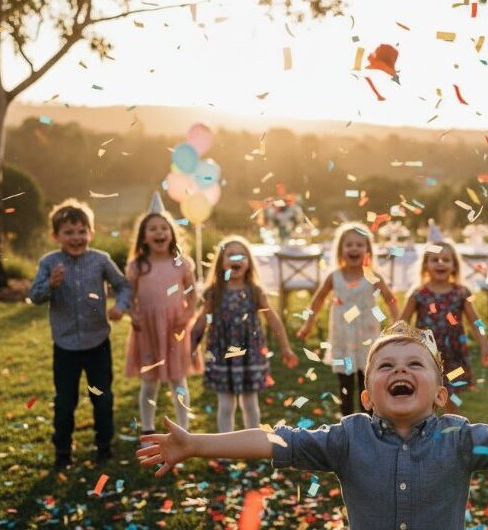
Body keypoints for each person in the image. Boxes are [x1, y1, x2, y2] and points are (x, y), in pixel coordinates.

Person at [137, 321, 488, 530]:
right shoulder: (345, 437)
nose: (399, 370)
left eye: (414, 364)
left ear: (439, 393)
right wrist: (196, 443)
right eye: (386, 366)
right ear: (367, 392)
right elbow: (272, 440)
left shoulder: (461, 437)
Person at [28, 199, 131, 469]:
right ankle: (62, 450)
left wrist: (120, 307)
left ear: (91, 233)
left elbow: (123, 286)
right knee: (65, 401)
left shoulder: (100, 260)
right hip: (65, 347)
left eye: (82, 231)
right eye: (69, 232)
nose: (76, 238)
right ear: (56, 236)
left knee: (102, 397)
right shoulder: (49, 263)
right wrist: (51, 285)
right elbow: (34, 296)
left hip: (98, 343)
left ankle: (104, 446)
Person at [191, 236, 299, 432]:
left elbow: (273, 320)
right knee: (225, 405)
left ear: (249, 262)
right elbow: (200, 322)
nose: (236, 259)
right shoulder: (214, 292)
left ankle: (252, 444)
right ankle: (226, 448)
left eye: (241, 255)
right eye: (230, 255)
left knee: (250, 404)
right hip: (223, 355)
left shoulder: (255, 291)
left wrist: (286, 348)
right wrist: (191, 347)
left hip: (250, 355)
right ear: (221, 262)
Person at [296, 222, 399, 416]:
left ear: (368, 250)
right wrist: (307, 324)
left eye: (359, 245)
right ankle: (347, 421)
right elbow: (317, 300)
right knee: (345, 382)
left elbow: (390, 299)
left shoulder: (372, 276)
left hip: (366, 338)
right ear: (340, 249)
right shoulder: (334, 276)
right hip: (343, 338)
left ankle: (368, 422)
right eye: (349, 244)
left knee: (366, 381)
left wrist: (397, 322)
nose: (354, 248)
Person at [125, 199, 197, 439]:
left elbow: (193, 293)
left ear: (172, 234)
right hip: (147, 330)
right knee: (149, 382)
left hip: (175, 329)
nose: (159, 232)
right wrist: (133, 315)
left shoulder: (181, 264)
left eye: (164, 228)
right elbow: (130, 296)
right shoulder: (138, 266)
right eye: (153, 229)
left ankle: (183, 429)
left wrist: (187, 315)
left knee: (178, 379)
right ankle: (148, 430)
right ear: (144, 236)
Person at [399, 240, 488, 413]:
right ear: (426, 265)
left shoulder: (461, 292)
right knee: (425, 395)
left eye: (446, 259)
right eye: (435, 259)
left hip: (454, 355)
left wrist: (484, 345)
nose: (440, 263)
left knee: (451, 395)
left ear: (454, 265)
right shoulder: (418, 293)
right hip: (426, 355)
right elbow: (402, 323)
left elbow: (475, 321)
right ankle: (425, 432)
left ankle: (452, 431)